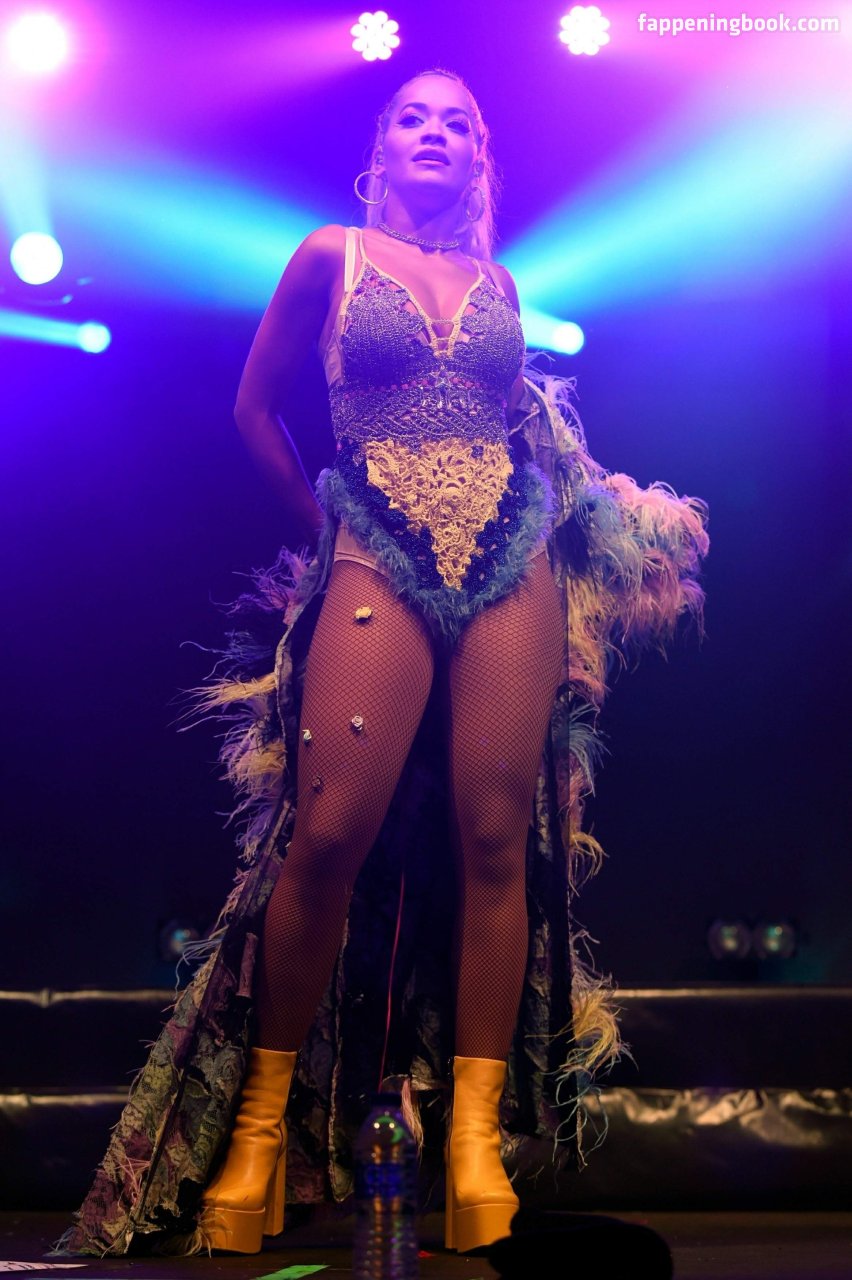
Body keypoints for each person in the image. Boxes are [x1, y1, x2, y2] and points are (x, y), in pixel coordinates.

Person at [58, 68, 708, 1259]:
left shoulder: (501, 282)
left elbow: (527, 437)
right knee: (328, 836)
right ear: (382, 144)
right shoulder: (330, 254)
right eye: (415, 116)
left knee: (498, 842)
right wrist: (327, 528)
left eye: (459, 122)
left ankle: (470, 1142)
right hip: (375, 542)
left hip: (509, 553)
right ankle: (261, 1131)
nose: (436, 132)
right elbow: (253, 410)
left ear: (480, 158)